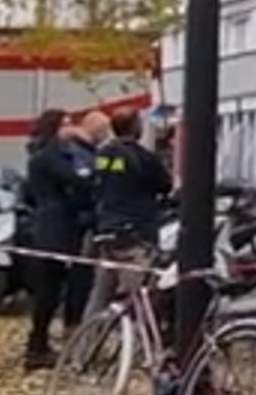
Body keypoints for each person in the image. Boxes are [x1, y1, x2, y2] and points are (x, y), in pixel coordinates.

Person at [21, 108, 94, 370]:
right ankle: (39, 345)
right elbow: (80, 178)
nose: (71, 128)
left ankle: (40, 343)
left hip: (54, 227)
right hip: (58, 230)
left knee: (52, 290)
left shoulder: (43, 154)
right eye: (66, 124)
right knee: (54, 289)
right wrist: (89, 146)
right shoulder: (50, 156)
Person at [86, 107, 172, 317]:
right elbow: (164, 185)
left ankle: (86, 340)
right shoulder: (144, 158)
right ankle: (137, 341)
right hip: (137, 232)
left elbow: (101, 179)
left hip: (108, 229)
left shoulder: (103, 155)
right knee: (139, 296)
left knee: (100, 293)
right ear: (136, 128)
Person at [62, 111, 111, 332]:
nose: (105, 136)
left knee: (86, 275)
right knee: (81, 275)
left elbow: (106, 168)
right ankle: (75, 323)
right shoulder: (80, 152)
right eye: (104, 131)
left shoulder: (89, 152)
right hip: (83, 222)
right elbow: (88, 179)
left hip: (85, 220)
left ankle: (77, 322)